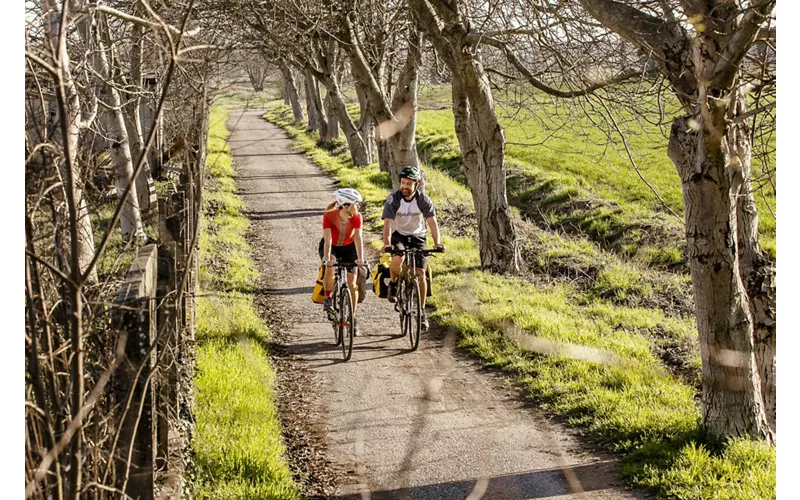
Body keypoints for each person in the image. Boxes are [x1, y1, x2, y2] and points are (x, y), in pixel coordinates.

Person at [381, 166, 445, 331]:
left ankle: (422, 312)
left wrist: (437, 243)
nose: (404, 186)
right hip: (399, 235)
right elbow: (387, 224)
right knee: (398, 258)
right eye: (403, 182)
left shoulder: (424, 200)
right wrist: (387, 243)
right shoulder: (393, 200)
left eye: (408, 183)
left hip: (418, 237)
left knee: (421, 274)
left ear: (416, 185)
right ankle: (394, 284)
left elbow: (432, 222)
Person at [320, 188, 366, 336]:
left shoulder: (357, 217)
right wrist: (327, 258)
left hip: (349, 247)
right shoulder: (329, 216)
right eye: (355, 204)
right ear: (346, 205)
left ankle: (352, 318)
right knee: (331, 266)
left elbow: (358, 238)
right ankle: (328, 297)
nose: (358, 207)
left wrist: (361, 258)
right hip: (332, 247)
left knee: (352, 284)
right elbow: (328, 240)